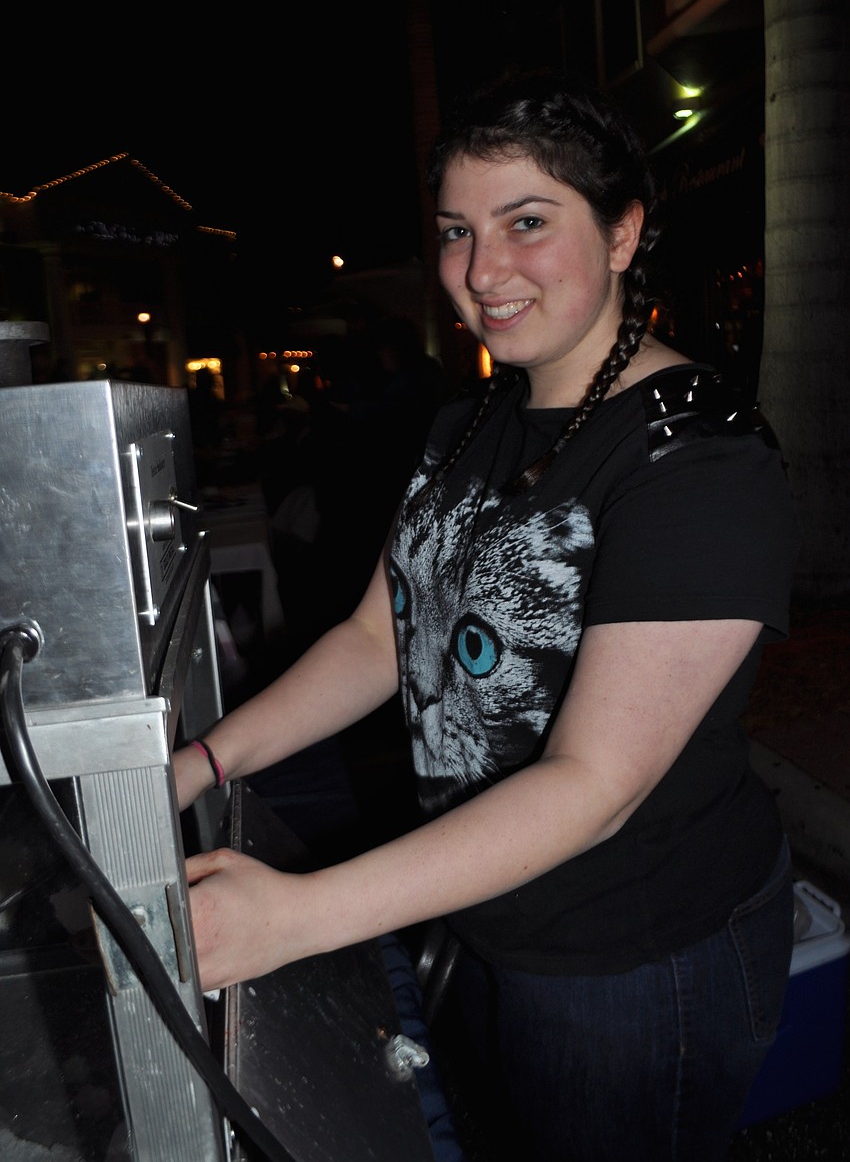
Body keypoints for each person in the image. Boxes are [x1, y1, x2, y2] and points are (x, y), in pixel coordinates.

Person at [174, 69, 799, 1161]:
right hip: (479, 901)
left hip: (629, 951)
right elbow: (378, 637)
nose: (481, 270)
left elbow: (595, 785)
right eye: (459, 230)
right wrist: (199, 764)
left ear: (622, 232)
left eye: (527, 222)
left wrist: (298, 915)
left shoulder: (698, 459)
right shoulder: (469, 422)